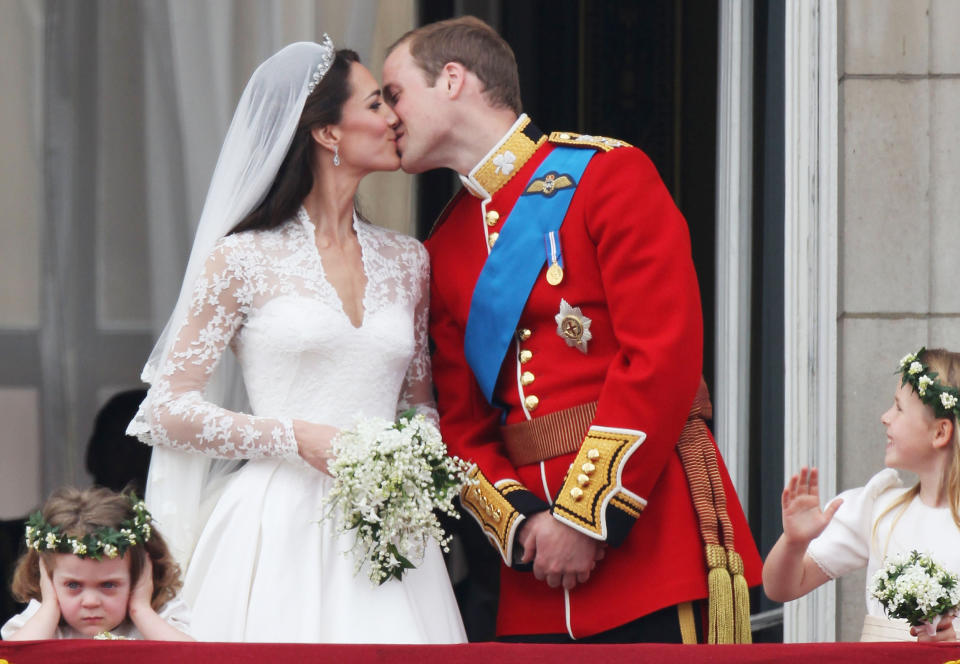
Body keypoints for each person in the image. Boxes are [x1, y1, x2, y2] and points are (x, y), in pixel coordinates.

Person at [382, 16, 762, 643]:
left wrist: (585, 518)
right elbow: (462, 425)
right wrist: (526, 524)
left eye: (394, 94)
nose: (387, 116)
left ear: (452, 79)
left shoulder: (608, 175)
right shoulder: (445, 245)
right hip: (534, 577)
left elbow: (661, 357)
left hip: (651, 542)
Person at [126, 39, 465, 643]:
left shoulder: (409, 261)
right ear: (327, 133)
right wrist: (296, 436)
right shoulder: (241, 258)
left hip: (388, 532)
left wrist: (415, 456)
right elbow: (166, 410)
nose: (394, 117)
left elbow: (418, 401)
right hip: (275, 524)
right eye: (375, 103)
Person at [763, 347, 960, 642]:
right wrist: (794, 542)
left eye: (898, 407)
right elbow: (781, 588)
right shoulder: (877, 509)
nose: (885, 417)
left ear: (940, 433)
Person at [2, 486, 192, 640]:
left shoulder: (160, 619)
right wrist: (50, 606)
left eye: (109, 585)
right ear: (48, 580)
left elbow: (192, 658)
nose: (91, 602)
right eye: (73, 585)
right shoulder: (42, 623)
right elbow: (13, 658)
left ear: (139, 577)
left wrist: (140, 610)